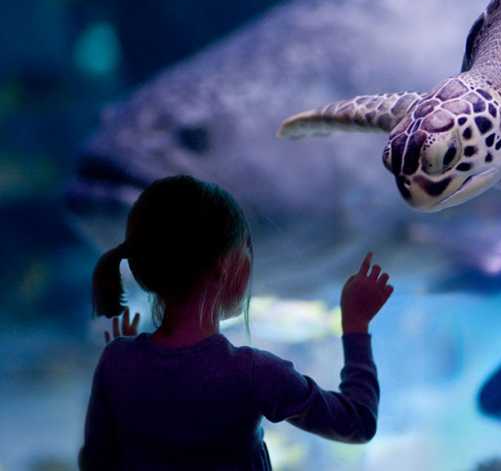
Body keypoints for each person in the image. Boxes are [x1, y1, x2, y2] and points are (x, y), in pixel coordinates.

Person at [79, 175, 394, 470]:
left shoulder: (116, 363)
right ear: (226, 268)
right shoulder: (254, 373)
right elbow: (357, 423)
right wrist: (356, 324)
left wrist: (125, 361)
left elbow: (97, 463)